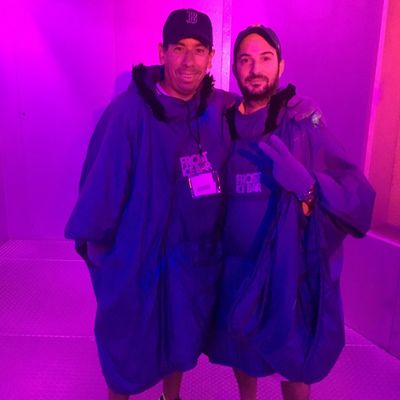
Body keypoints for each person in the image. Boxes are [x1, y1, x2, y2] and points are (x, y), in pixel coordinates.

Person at [65, 10, 316, 400]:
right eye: (179, 48)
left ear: (211, 56)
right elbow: (100, 189)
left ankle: (171, 397)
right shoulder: (128, 114)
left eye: (199, 50)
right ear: (161, 52)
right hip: (137, 259)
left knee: (180, 342)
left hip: (192, 260)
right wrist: (107, 260)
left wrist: (294, 110)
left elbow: (261, 113)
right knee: (124, 348)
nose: (189, 60)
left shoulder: (220, 108)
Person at [206, 25, 375, 400]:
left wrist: (308, 185)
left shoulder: (300, 122)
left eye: (265, 58)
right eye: (245, 60)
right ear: (234, 68)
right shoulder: (223, 119)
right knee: (241, 348)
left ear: (280, 65)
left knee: (293, 357)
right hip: (236, 267)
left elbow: (355, 192)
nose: (255, 69)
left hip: (285, 270)